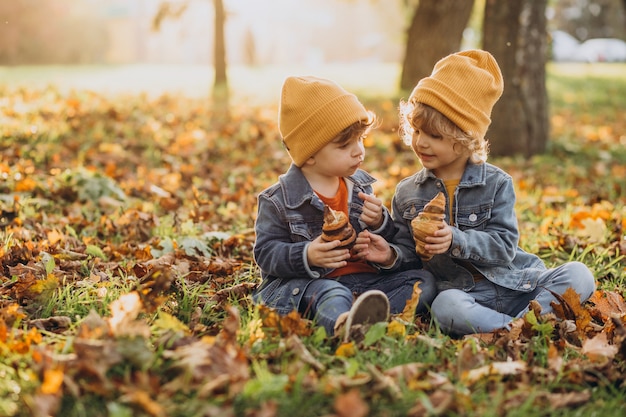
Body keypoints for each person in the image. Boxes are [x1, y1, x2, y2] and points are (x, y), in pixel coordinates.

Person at [391, 50, 596, 337]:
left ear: (465, 138)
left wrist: (455, 239)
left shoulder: (497, 183)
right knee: (445, 308)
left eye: (434, 136)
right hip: (465, 295)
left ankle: (520, 322)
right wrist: (388, 253)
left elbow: (504, 246)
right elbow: (407, 258)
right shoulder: (407, 193)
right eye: (416, 131)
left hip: (519, 286)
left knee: (579, 274)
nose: (421, 142)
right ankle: (518, 329)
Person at [253, 75, 437, 341]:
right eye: (344, 146)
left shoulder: (360, 187)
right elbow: (266, 253)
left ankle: (368, 319)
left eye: (360, 139)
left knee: (423, 282)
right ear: (310, 152)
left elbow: (387, 240)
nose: (358, 151)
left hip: (367, 282)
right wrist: (308, 255)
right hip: (314, 284)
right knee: (332, 295)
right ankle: (342, 325)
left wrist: (380, 224)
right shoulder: (278, 199)